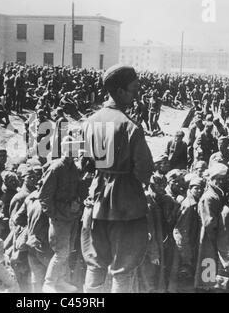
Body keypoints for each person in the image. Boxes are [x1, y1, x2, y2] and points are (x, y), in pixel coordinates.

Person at [81, 65, 154, 293]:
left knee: (95, 264)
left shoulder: (90, 122)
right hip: (126, 204)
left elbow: (85, 163)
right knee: (123, 268)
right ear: (120, 92)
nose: (136, 95)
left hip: (96, 201)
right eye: (133, 90)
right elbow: (145, 169)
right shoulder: (131, 127)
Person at [39, 137, 82, 293]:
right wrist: (54, 215)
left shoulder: (75, 169)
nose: (73, 152)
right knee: (61, 252)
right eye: (70, 149)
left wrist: (77, 205)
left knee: (68, 250)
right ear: (64, 150)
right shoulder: (56, 168)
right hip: (59, 217)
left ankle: (61, 281)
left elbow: (78, 190)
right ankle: (49, 283)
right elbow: (44, 196)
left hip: (72, 215)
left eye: (75, 149)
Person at [195, 163, 229, 292]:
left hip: (216, 242)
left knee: (216, 279)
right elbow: (209, 225)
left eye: (222, 179)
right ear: (211, 179)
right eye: (216, 179)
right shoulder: (209, 197)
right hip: (210, 243)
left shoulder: (218, 194)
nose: (219, 182)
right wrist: (219, 242)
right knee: (209, 279)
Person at [169, 176, 205, 293]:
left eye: (201, 189)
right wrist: (186, 257)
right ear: (190, 188)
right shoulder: (189, 205)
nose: (199, 191)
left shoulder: (195, 203)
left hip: (188, 247)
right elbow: (180, 231)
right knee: (182, 282)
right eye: (196, 188)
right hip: (184, 250)